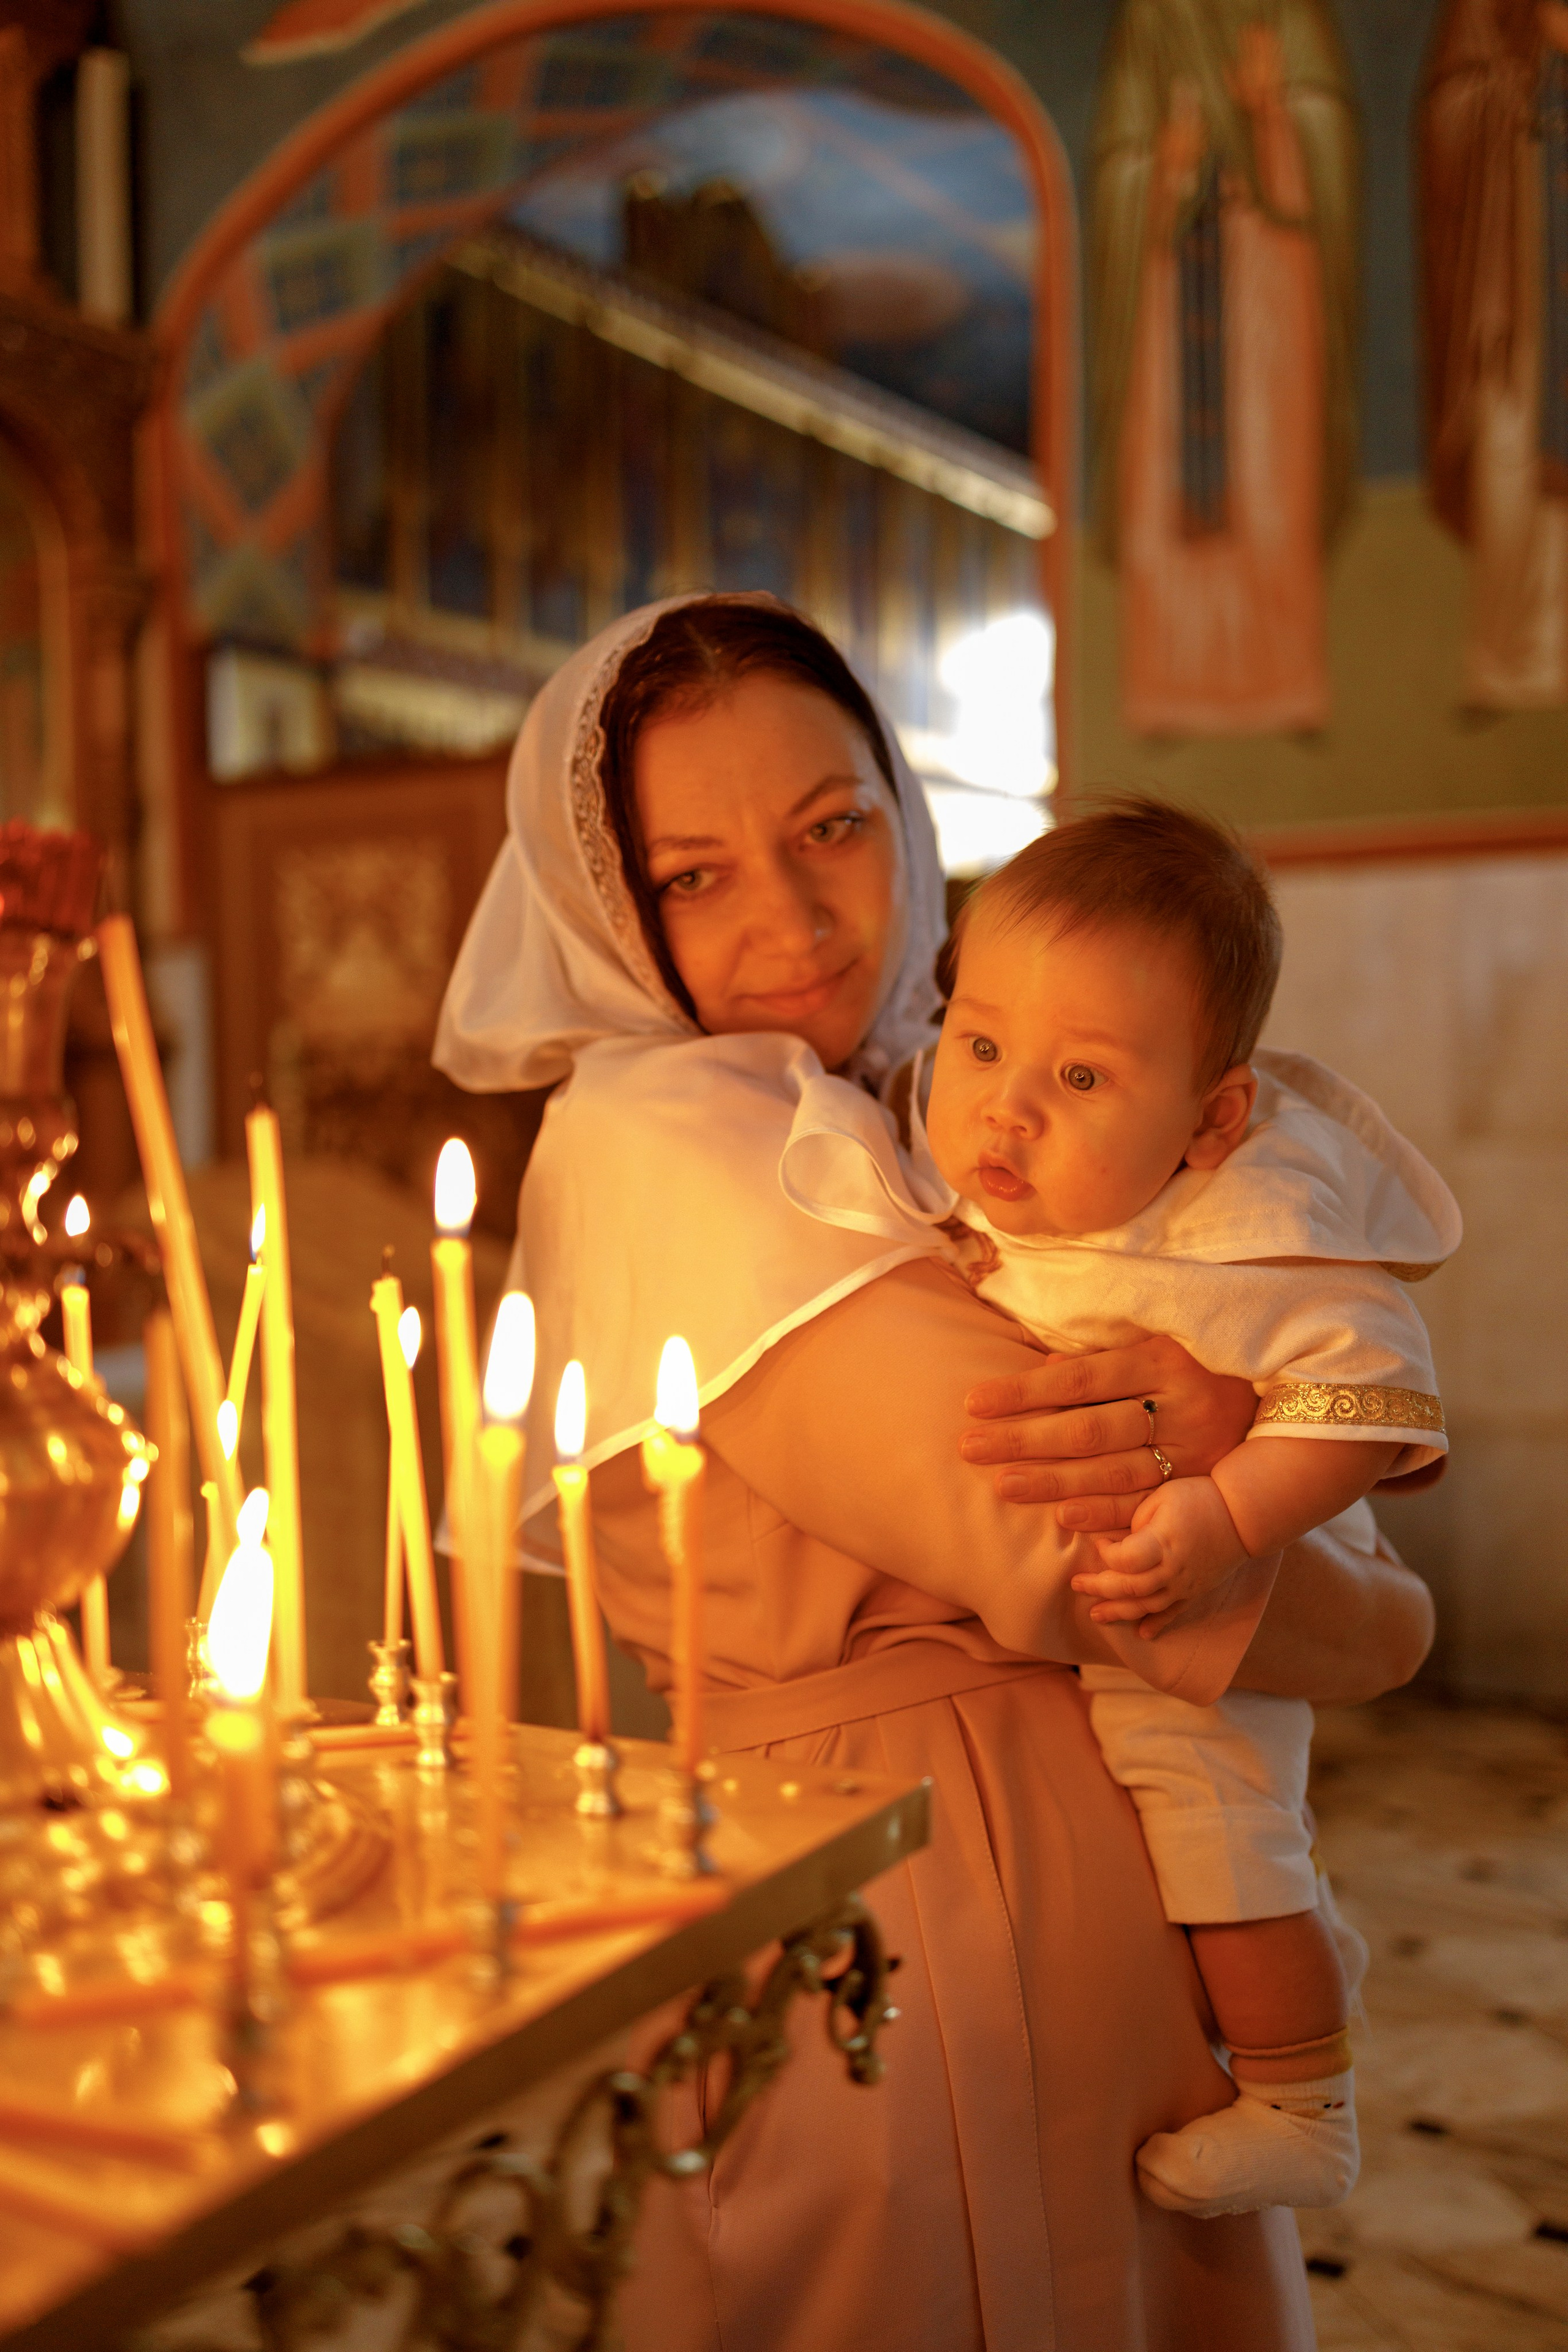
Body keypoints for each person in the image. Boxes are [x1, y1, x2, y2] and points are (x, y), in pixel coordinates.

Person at [435, 594, 1434, 2352]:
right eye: (695, 875)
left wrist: (1248, 1450)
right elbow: (1073, 1547)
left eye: (834, 826)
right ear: (608, 901)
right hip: (898, 1899)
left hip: (1080, 1883)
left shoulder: (936, 1098)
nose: (798, 916)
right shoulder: (671, 1142)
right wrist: (1375, 1604)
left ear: (909, 809)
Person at [910, 797, 1458, 2222]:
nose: (1002, 1107)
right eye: (976, 1046)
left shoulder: (1244, 1229)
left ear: (1209, 1117)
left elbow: (1372, 1392)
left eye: (1079, 1076)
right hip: (1138, 1573)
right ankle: (1310, 1955)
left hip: (1241, 1549)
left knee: (1213, 1819)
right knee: (1225, 1839)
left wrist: (1227, 1518)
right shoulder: (1014, 1173)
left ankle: (1300, 2099)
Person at [1090, 0, 1359, 733]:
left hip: (1265, 272)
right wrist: (1162, 167)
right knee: (1160, 489)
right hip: (1164, 290)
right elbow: (1118, 161)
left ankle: (1286, 689)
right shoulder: (1149, 20)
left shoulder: (1291, 15)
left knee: (1274, 477)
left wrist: (1272, 110)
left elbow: (1330, 132)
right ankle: (1169, 694)